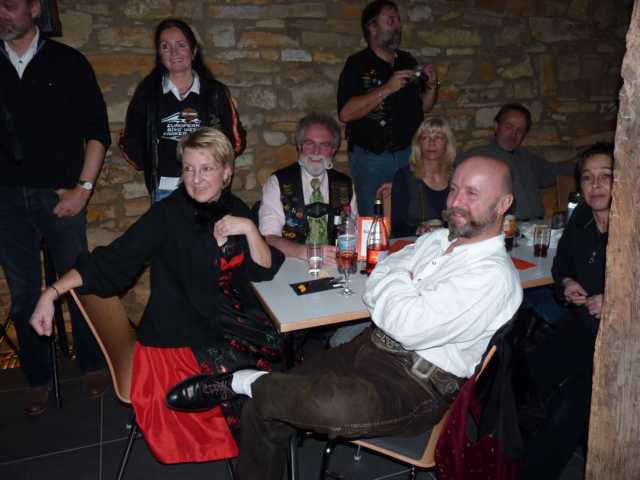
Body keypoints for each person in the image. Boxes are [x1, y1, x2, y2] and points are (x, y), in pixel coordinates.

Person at [166, 155, 524, 480]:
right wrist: (399, 278)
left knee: (323, 402)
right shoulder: (438, 239)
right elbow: (380, 268)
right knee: (264, 407)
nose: (456, 201)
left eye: (472, 193)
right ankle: (255, 389)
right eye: (454, 188)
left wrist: (395, 276)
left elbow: (406, 324)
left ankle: (239, 380)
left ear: (503, 204)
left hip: (415, 385)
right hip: (371, 346)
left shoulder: (492, 276)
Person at [29, 128, 285, 463]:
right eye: (188, 169)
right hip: (179, 339)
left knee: (279, 361)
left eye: (206, 168)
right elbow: (112, 261)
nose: (195, 179)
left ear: (226, 172)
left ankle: (246, 397)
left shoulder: (233, 208)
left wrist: (250, 229)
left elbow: (262, 270)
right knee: (265, 394)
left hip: (224, 325)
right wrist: (51, 292)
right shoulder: (168, 214)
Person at [0, 0, 110, 416]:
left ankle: (92, 363)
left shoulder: (68, 62)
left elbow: (98, 133)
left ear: (34, 7)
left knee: (77, 282)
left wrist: (83, 190)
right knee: (24, 291)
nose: (1, 12)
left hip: (61, 194)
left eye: (9, 4)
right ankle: (38, 378)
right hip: (6, 200)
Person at [518, 142, 614, 480]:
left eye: (606, 176)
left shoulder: (632, 226)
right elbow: (561, 266)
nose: (595, 185)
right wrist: (568, 283)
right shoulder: (583, 217)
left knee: (569, 408)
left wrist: (614, 304)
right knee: (522, 372)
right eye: (587, 177)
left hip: (619, 344)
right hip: (580, 327)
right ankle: (514, 451)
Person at [119, 18, 246, 202]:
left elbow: (236, 140)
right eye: (165, 46)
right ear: (159, 54)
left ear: (193, 51)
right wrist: (154, 164)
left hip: (209, 187)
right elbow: (128, 141)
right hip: (165, 191)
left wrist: (213, 168)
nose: (174, 52)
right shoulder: (147, 95)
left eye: (181, 45)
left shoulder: (215, 93)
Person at [337, 0, 439, 216]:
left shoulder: (407, 60)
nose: (398, 26)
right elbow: (345, 113)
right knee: (374, 219)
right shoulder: (357, 64)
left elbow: (425, 106)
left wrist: (431, 85)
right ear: (372, 27)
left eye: (398, 20)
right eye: (391, 20)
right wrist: (387, 88)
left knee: (411, 216)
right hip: (371, 160)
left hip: (409, 155)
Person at [258, 112, 357, 264]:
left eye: (324, 145)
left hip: (334, 263)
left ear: (333, 150)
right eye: (309, 143)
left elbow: (354, 231)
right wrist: (308, 252)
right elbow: (268, 238)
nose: (316, 151)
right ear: (299, 146)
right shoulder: (278, 182)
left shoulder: (344, 184)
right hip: (290, 262)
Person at [456, 103, 573, 220]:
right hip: (503, 226)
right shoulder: (477, 157)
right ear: (496, 126)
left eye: (520, 130)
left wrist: (580, 164)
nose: (513, 134)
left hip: (537, 224)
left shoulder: (527, 158)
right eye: (508, 127)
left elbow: (552, 171)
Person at [391, 116, 456, 237]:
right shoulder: (404, 177)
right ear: (418, 144)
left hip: (453, 241)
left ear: (447, 144)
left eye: (438, 137)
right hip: (415, 242)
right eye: (425, 138)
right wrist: (418, 230)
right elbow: (396, 227)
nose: (431, 143)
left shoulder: (457, 176)